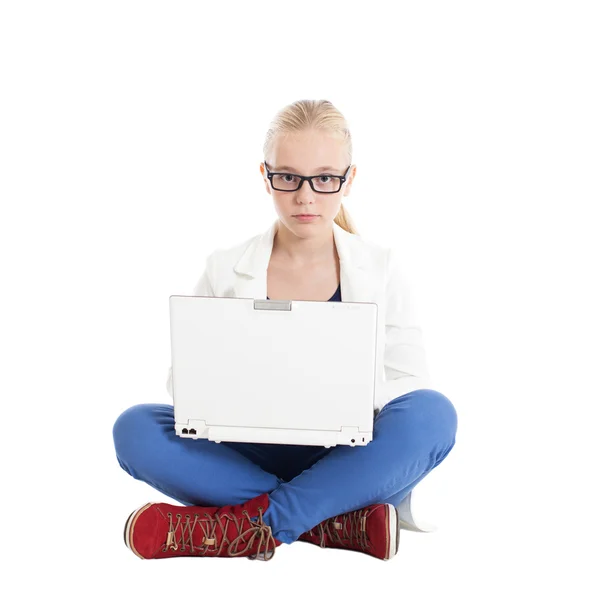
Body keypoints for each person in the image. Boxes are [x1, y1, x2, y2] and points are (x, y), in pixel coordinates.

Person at [112, 99, 458, 562]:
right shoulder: (224, 267)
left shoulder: (382, 269)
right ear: (266, 175)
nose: (306, 196)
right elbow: (185, 388)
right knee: (134, 429)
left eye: (325, 178)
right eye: (288, 177)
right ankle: (333, 523)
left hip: (345, 456)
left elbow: (407, 380)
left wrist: (341, 396)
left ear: (348, 180)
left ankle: (249, 527)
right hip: (245, 451)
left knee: (434, 415)